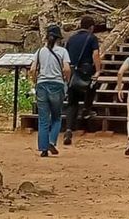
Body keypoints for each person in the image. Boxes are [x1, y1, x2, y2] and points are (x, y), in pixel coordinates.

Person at [29, 24, 71, 158]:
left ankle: (43, 148)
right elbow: (67, 69)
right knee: (56, 117)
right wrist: (66, 81)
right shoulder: (62, 52)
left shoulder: (40, 51)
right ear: (59, 38)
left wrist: (35, 81)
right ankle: (52, 141)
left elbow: (32, 69)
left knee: (43, 119)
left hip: (42, 84)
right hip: (57, 84)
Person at [63, 15, 101, 146]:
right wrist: (98, 70)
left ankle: (68, 129)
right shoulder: (92, 38)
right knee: (91, 87)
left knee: (72, 102)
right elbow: (95, 54)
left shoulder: (71, 39)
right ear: (91, 27)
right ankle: (86, 109)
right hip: (86, 70)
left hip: (73, 72)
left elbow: (66, 56)